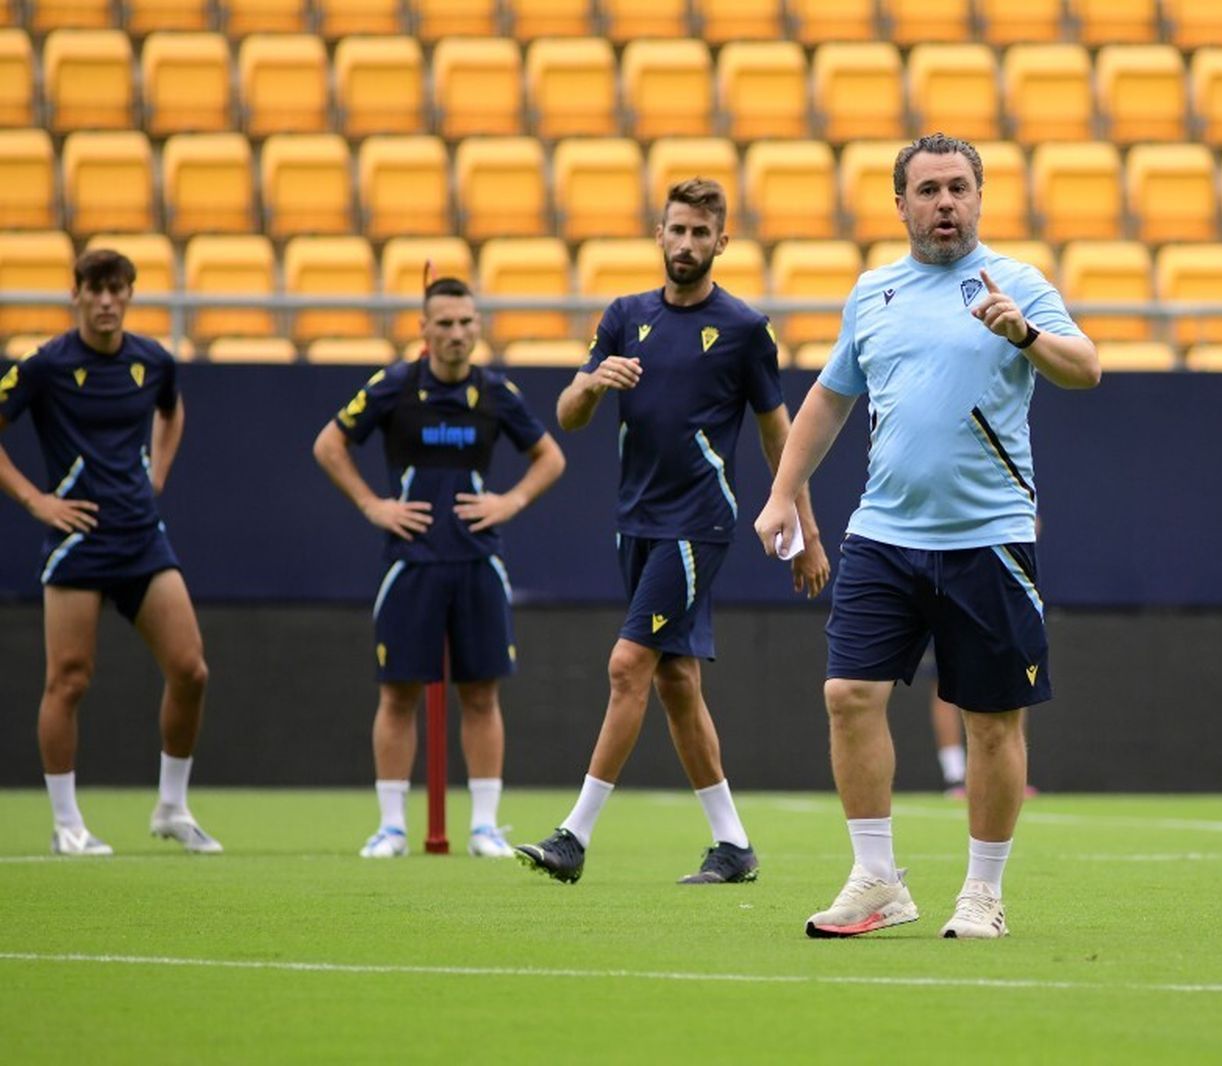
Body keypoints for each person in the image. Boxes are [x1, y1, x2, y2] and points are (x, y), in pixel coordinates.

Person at [755, 134, 1100, 938]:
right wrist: (782, 494)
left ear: (980, 199)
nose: (945, 203)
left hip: (990, 537)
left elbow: (1084, 367)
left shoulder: (1016, 283)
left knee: (991, 719)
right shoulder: (873, 293)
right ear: (901, 204)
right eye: (928, 190)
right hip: (883, 532)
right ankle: (877, 881)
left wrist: (1023, 334)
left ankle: (982, 893)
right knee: (848, 696)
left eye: (958, 188)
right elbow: (830, 399)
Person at [514, 178, 830, 886]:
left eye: (700, 233)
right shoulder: (625, 317)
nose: (687, 244)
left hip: (699, 524)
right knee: (677, 682)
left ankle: (574, 836)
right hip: (636, 523)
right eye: (677, 230)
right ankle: (733, 846)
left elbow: (781, 436)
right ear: (659, 235)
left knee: (628, 666)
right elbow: (567, 414)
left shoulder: (745, 329)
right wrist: (594, 382)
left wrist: (805, 530)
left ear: (722, 243)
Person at [312, 277, 566, 859]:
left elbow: (550, 457)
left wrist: (510, 501)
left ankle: (484, 826)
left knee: (481, 694)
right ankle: (391, 827)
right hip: (412, 563)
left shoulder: (496, 393)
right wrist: (372, 505)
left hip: (478, 561)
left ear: (478, 328)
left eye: (465, 323)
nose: (456, 333)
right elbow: (329, 444)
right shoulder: (394, 387)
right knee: (397, 694)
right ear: (423, 330)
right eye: (444, 323)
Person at [0, 248, 220, 856]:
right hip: (77, 541)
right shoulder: (45, 365)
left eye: (116, 289)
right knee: (68, 680)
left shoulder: (151, 360)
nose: (105, 300)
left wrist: (158, 475)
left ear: (128, 294)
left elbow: (172, 413)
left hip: (142, 537)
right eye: (94, 289)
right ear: (76, 294)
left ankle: (172, 807)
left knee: (191, 669)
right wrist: (35, 501)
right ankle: (67, 824)